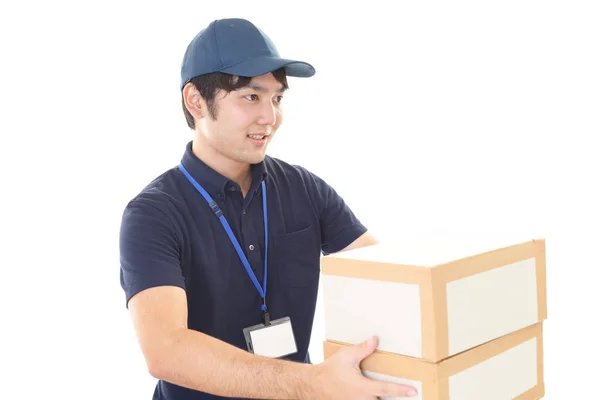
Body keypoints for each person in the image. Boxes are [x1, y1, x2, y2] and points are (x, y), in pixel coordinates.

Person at [119, 17, 418, 400]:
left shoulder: (303, 188)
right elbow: (166, 351)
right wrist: (314, 384)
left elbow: (388, 278)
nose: (270, 117)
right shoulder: (152, 214)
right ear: (195, 100)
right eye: (251, 97)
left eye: (277, 98)